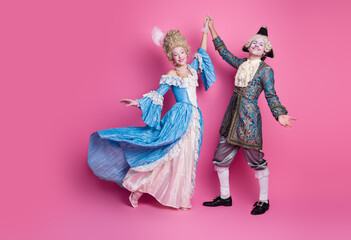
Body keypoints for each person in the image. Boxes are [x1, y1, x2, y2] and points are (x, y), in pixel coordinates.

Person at [88, 17, 216, 210]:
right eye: (176, 54)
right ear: (171, 58)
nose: (180, 56)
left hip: (195, 119)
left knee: (186, 157)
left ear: (185, 52)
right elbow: (158, 95)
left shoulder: (192, 68)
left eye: (182, 52)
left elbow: (203, 52)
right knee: (167, 154)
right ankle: (137, 188)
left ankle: (181, 198)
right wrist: (137, 102)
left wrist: (205, 31)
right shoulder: (171, 76)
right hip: (179, 118)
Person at [202, 17, 296, 215]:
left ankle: (264, 200)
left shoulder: (266, 71)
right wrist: (212, 28)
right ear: (249, 46)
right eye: (254, 42)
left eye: (261, 44)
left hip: (249, 121)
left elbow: (271, 95)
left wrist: (280, 114)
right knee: (220, 158)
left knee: (256, 160)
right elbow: (225, 53)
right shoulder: (242, 63)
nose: (256, 45)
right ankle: (225, 197)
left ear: (265, 51)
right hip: (232, 117)